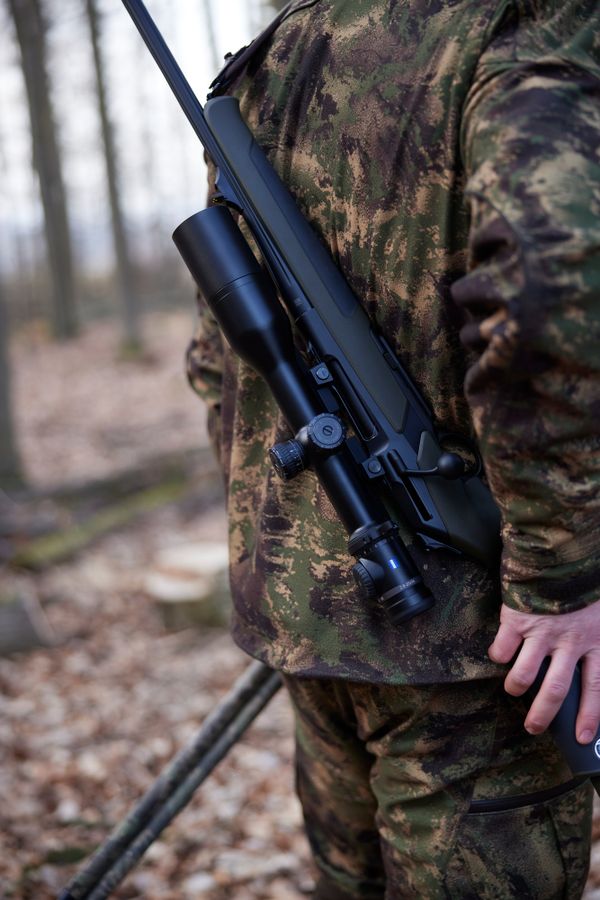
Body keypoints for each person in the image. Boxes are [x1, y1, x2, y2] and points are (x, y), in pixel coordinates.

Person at [187, 0, 600, 896]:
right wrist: (561, 576)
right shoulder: (528, 23)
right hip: (484, 649)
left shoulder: (278, 50)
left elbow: (215, 363)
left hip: (314, 624)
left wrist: (283, 552)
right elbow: (549, 295)